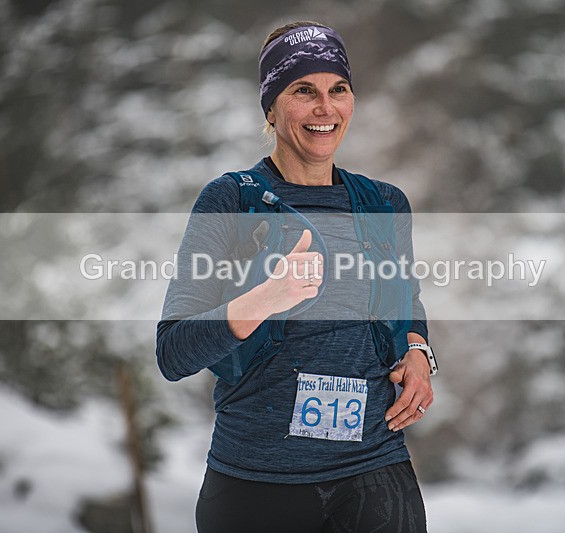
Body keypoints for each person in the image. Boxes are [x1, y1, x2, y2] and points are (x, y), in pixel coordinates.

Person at [156, 21, 436, 533]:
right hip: (256, 485)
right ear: (271, 106)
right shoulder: (232, 200)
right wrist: (264, 298)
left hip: (374, 475)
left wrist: (418, 352)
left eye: (338, 90)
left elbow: (405, 302)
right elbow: (172, 352)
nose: (324, 108)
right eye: (303, 90)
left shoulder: (384, 204)